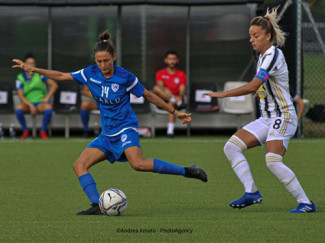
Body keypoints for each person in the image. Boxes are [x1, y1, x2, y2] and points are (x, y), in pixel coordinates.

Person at [12, 30, 207, 215]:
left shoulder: (125, 77)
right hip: (107, 134)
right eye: (99, 61)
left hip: (125, 128)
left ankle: (187, 171)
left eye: (106, 61)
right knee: (79, 165)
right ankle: (97, 205)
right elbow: (62, 76)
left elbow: (148, 95)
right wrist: (33, 69)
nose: (103, 65)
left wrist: (175, 112)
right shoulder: (90, 73)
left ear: (113, 58)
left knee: (137, 164)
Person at [205, 8, 316, 213]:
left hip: (283, 116)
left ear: (268, 36)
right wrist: (262, 92)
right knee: (231, 147)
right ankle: (252, 192)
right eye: (250, 36)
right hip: (268, 118)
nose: (251, 40)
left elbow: (252, 85)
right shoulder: (263, 56)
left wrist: (222, 95)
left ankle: (306, 203)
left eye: (255, 36)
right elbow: (263, 86)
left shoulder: (273, 54)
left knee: (272, 161)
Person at [15, 53, 58, 139]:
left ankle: (43, 131)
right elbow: (20, 95)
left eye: (32, 63)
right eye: (28, 63)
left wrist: (47, 98)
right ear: (24, 64)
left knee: (48, 109)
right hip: (27, 104)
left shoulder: (40, 75)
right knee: (18, 109)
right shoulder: (20, 77)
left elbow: (54, 85)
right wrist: (30, 105)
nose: (30, 65)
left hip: (40, 103)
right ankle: (25, 130)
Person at [153, 50, 187, 137]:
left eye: (174, 59)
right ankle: (173, 99)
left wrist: (178, 96)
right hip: (162, 100)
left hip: (177, 101)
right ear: (166, 60)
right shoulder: (160, 73)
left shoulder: (181, 74)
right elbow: (160, 86)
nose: (171, 61)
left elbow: (182, 90)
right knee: (156, 88)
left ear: (177, 60)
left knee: (171, 103)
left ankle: (170, 131)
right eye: (169, 59)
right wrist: (170, 94)